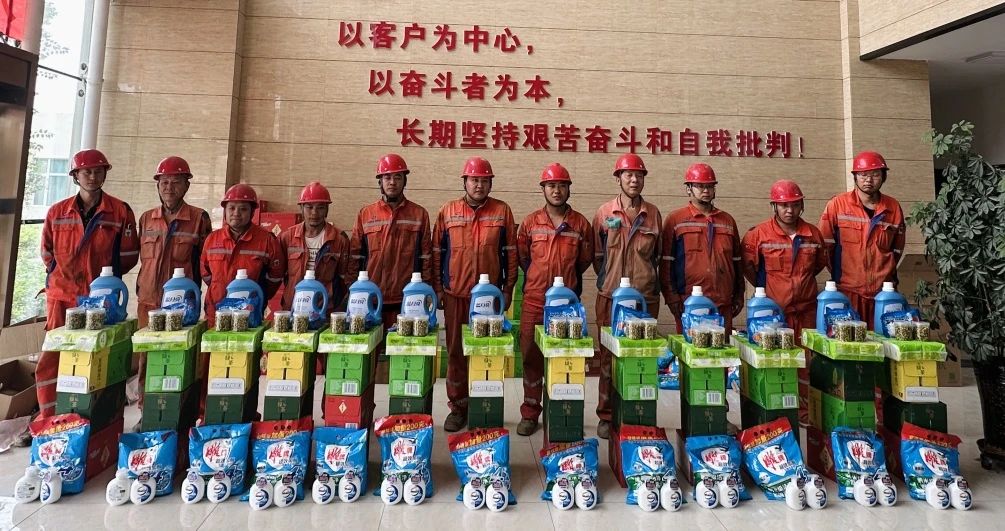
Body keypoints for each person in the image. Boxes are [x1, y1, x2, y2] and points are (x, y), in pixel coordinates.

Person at [36, 149, 139, 424]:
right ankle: (49, 417)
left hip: (100, 299)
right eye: (86, 172)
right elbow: (47, 253)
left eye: (98, 171)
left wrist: (105, 280)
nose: (92, 176)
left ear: (105, 174)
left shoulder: (120, 211)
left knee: (96, 356)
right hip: (61, 296)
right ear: (75, 176)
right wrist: (64, 276)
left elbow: (129, 255)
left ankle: (90, 417)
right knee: (53, 357)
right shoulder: (57, 212)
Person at [432, 156, 518, 432]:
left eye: (484, 180)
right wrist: (438, 289)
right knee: (456, 352)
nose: (479, 185)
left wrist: (508, 289)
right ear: (465, 182)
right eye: (474, 180)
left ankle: (484, 406)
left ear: (490, 183)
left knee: (486, 352)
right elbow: (437, 253)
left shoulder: (502, 212)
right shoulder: (448, 211)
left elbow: (511, 255)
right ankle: (458, 408)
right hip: (456, 294)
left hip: (489, 300)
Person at [515, 163, 593, 436]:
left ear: (569, 189)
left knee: (563, 358)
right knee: (531, 356)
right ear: (543, 189)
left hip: (566, 306)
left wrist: (566, 283)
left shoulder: (581, 224)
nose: (556, 190)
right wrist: (539, 279)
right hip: (535, 301)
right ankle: (530, 412)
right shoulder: (530, 223)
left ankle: (560, 410)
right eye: (551, 185)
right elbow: (524, 258)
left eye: (561, 185)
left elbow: (584, 261)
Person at [134, 156, 211, 421]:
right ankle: (146, 411)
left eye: (176, 182)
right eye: (164, 182)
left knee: (180, 358)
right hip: (149, 301)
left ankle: (182, 412)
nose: (169, 187)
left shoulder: (199, 219)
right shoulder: (146, 219)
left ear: (186, 185)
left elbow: (206, 263)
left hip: (182, 307)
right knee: (147, 359)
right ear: (157, 185)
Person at [592, 153, 662, 439]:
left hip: (644, 299)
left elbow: (658, 256)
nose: (634, 180)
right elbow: (597, 256)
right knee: (608, 359)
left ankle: (637, 414)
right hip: (610, 297)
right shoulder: (604, 213)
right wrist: (609, 280)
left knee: (641, 358)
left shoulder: (653, 214)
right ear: (618, 179)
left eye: (639, 175)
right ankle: (607, 415)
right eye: (628, 175)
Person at [349, 154, 433, 369]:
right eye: (387, 177)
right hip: (370, 301)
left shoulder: (419, 214)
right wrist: (352, 293)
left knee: (406, 362)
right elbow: (355, 257)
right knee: (366, 361)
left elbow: (426, 257)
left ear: (405, 180)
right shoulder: (365, 214)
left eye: (397, 177)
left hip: (407, 302)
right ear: (380, 181)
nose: (392, 182)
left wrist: (427, 294)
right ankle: (367, 393)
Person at [820, 151, 906, 320]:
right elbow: (825, 247)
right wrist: (841, 274)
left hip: (883, 293)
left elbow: (897, 250)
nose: (869, 180)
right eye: (863, 175)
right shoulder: (837, 205)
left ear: (883, 177)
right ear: (855, 177)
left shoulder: (893, 207)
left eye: (875, 175)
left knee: (881, 336)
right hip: (847, 292)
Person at [661, 162, 744, 333]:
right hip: (689, 302)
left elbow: (737, 262)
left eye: (710, 186)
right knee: (691, 348)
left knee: (722, 349)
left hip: (723, 302)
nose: (706, 190)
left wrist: (739, 295)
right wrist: (671, 297)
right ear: (689, 189)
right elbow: (666, 263)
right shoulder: (675, 220)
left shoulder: (727, 221)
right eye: (700, 186)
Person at [741, 180, 828, 335]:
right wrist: (768, 285)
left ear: (802, 205)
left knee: (806, 349)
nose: (790, 211)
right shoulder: (758, 234)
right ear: (774, 206)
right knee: (774, 349)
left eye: (795, 205)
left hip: (806, 313)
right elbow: (748, 267)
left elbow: (819, 264)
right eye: (784, 205)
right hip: (772, 312)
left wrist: (801, 280)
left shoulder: (813, 234)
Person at [200, 184, 285, 326]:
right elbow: (206, 273)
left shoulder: (266, 240)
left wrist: (259, 295)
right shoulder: (212, 239)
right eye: (231, 208)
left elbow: (275, 276)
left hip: (249, 314)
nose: (236, 213)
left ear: (252, 212)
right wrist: (218, 288)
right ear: (225, 211)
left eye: (243, 209)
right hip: (215, 313)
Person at [280, 181, 350, 312]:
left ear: (327, 210)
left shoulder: (339, 239)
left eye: (320, 207)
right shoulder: (287, 237)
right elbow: (277, 274)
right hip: (293, 308)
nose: (314, 213)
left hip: (325, 309)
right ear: (301, 209)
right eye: (309, 207)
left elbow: (344, 278)